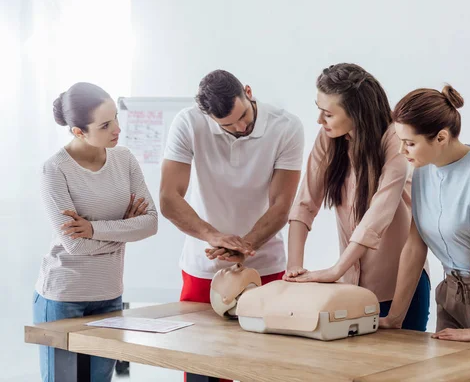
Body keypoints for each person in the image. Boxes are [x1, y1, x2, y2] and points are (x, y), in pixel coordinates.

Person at [284, 63, 430, 331]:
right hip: (352, 290)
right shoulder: (329, 138)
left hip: (398, 286)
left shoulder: (395, 139)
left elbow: (378, 214)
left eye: (327, 114)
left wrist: (336, 270)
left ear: (356, 113)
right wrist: (293, 270)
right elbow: (305, 204)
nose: (319, 120)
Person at [380, 84, 470, 343]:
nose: (402, 151)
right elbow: (415, 246)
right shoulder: (422, 171)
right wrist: (395, 317)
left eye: (410, 143)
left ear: (441, 137)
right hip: (451, 291)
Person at [33, 82, 158, 382]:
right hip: (64, 298)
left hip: (110, 295)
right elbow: (75, 247)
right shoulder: (55, 169)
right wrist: (124, 230)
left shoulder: (124, 158)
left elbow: (150, 223)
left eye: (115, 117)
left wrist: (92, 229)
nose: (117, 128)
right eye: (105, 125)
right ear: (79, 132)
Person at [159, 69, 304, 318]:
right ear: (207, 116)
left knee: (265, 353)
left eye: (243, 115)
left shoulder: (286, 127)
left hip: (264, 265)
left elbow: (281, 205)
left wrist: (246, 246)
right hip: (204, 267)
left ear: (248, 92)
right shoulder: (187, 123)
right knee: (197, 349)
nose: (240, 127)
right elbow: (169, 198)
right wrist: (212, 236)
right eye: (227, 124)